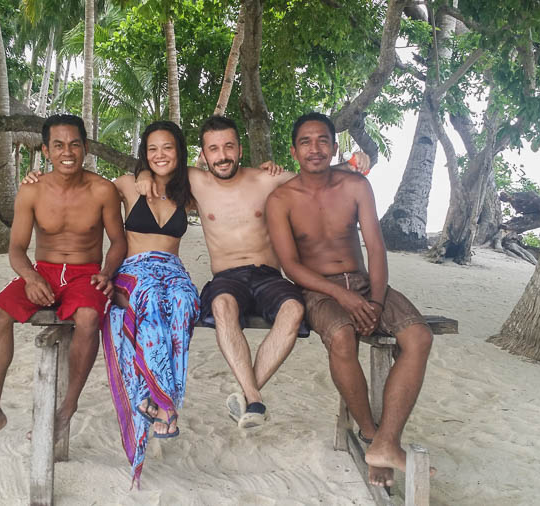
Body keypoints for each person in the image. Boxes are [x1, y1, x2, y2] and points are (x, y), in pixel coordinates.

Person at [136, 115, 369, 429]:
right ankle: (254, 398)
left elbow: (312, 175)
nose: (222, 155)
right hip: (227, 277)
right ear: (203, 155)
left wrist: (355, 163)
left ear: (240, 149)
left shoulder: (265, 180)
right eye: (214, 149)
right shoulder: (195, 181)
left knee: (294, 308)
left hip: (268, 275)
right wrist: (141, 173)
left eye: (229, 146)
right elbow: (158, 162)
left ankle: (248, 394)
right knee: (221, 306)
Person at [265, 112, 433, 487]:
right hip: (317, 288)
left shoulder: (355, 185)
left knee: (419, 337)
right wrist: (343, 295)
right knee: (341, 337)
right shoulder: (281, 199)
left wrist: (373, 300)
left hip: (364, 282)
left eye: (323, 140)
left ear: (334, 147)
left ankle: (387, 441)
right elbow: (291, 265)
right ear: (294, 151)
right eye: (306, 142)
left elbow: (375, 246)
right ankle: (371, 434)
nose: (315, 149)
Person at [0, 114, 127, 461]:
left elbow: (118, 241)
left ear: (85, 148)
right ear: (46, 150)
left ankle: (66, 409)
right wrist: (32, 278)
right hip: (44, 271)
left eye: (74, 144)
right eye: (58, 145)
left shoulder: (102, 190)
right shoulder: (32, 190)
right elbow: (17, 248)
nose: (67, 152)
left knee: (87, 317)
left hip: (85, 273)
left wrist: (108, 271)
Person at [102, 120, 200, 487]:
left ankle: (160, 399)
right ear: (144, 153)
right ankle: (156, 401)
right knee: (151, 299)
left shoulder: (188, 189)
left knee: (186, 301)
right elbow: (86, 188)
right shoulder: (129, 184)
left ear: (179, 152)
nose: (160, 155)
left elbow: (237, 183)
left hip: (173, 269)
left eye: (168, 148)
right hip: (135, 270)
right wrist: (35, 177)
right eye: (152, 149)